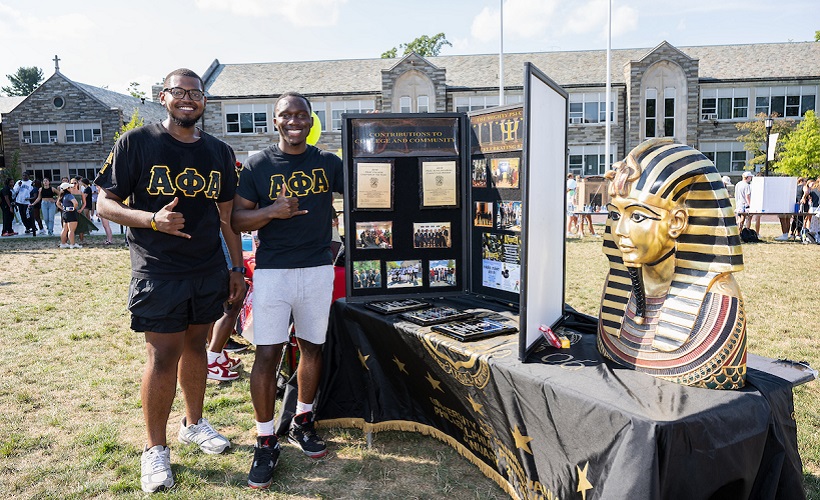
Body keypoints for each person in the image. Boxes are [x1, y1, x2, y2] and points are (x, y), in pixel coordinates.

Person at [94, 68, 246, 494]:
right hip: (158, 270)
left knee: (197, 346)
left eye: (195, 93)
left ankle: (194, 424)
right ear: (164, 97)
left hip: (207, 269)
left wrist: (236, 268)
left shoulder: (218, 151)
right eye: (179, 92)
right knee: (163, 356)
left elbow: (226, 217)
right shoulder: (137, 142)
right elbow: (105, 203)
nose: (188, 99)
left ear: (203, 102)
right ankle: (154, 449)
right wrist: (152, 220)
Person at [232, 91, 343, 489]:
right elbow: (238, 218)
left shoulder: (329, 162)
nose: (294, 121)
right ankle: (265, 439)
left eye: (302, 115)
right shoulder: (259, 163)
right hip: (273, 272)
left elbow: (369, 192)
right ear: (275, 121)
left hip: (317, 269)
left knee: (313, 347)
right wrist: (272, 212)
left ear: (311, 121)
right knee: (268, 353)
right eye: (286, 115)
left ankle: (302, 420)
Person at [599, 138, 746, 390]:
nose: (620, 230)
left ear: (677, 222)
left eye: (637, 215)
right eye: (614, 215)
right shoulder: (617, 285)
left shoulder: (720, 299)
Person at [56, 182, 80, 248]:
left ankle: (63, 243)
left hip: (65, 213)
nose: (72, 188)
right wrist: (73, 208)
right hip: (71, 213)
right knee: (71, 230)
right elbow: (75, 203)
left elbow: (57, 203)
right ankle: (72, 244)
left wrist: (63, 208)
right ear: (67, 188)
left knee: (64, 229)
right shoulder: (69, 195)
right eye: (70, 187)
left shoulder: (62, 195)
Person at [565, 173, 578, 237]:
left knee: (572, 217)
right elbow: (573, 199)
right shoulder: (572, 191)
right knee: (570, 218)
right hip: (571, 204)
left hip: (568, 203)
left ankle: (571, 230)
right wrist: (575, 205)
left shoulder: (568, 190)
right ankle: (568, 231)